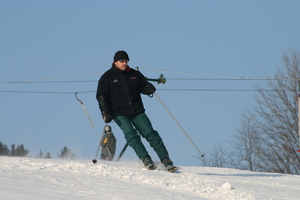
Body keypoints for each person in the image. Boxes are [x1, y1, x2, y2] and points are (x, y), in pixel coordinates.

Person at [96, 50, 176, 171]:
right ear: (115, 62)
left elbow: (143, 85)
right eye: (122, 61)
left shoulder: (134, 74)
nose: (124, 63)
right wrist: (105, 111)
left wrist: (148, 88)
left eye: (126, 60)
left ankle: (165, 158)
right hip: (119, 112)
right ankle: (145, 158)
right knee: (130, 134)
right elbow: (102, 96)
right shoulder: (107, 77)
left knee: (150, 133)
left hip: (136, 110)